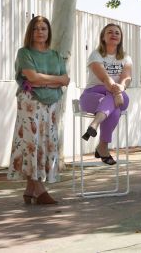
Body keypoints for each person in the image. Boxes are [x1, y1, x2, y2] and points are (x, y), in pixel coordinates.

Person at [7, 16, 70, 205]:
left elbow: (65, 80)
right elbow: (32, 78)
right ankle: (39, 189)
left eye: (43, 28)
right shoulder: (24, 53)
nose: (40, 32)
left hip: (51, 105)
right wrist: (53, 80)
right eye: (36, 29)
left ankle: (30, 190)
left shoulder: (56, 55)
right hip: (30, 102)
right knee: (30, 142)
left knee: (46, 142)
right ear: (30, 32)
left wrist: (42, 81)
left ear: (48, 31)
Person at [79, 23, 132, 165]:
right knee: (115, 110)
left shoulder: (126, 58)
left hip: (116, 94)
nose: (114, 34)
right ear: (103, 37)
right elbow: (104, 78)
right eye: (110, 32)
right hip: (92, 95)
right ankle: (103, 147)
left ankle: (95, 124)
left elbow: (126, 78)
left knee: (119, 103)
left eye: (117, 33)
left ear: (121, 38)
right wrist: (117, 93)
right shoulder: (95, 55)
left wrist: (120, 89)